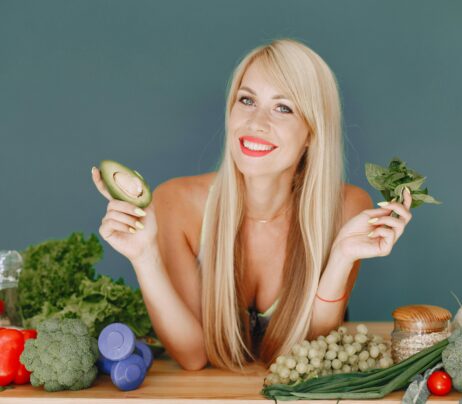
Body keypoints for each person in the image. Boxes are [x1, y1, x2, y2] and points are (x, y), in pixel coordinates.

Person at [91, 38, 413, 373]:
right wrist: (144, 258)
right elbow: (193, 355)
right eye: (247, 100)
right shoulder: (176, 203)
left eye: (283, 107)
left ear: (311, 134)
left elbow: (308, 352)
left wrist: (342, 257)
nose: (256, 122)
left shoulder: (347, 208)